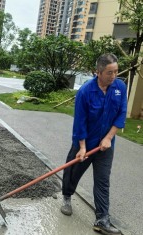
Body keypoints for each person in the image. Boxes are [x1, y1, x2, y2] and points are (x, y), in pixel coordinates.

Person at [60, 54, 127, 235]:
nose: (113, 76)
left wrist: (108, 138)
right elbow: (80, 122)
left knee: (103, 181)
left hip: (105, 146)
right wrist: (82, 147)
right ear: (98, 72)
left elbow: (121, 114)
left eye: (116, 71)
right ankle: (67, 196)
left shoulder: (120, 87)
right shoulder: (85, 92)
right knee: (73, 173)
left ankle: (102, 219)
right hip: (85, 142)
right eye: (109, 72)